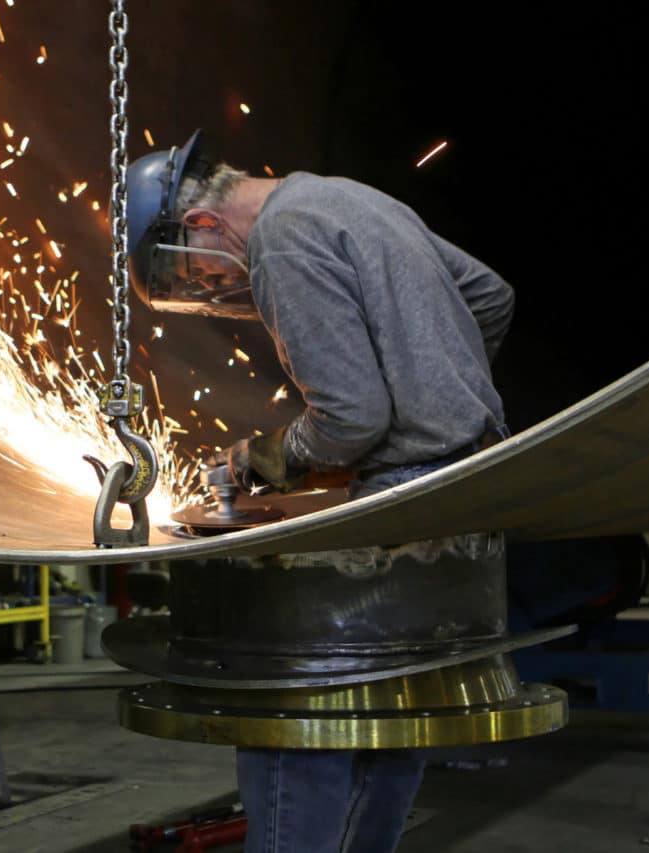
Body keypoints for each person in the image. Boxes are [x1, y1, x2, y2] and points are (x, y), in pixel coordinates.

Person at [124, 130, 516, 853]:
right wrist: (437, 384)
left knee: (289, 708)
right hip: (462, 492)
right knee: (398, 714)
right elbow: (491, 298)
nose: (212, 289)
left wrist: (267, 456)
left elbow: (352, 417)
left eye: (198, 276)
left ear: (204, 225)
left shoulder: (279, 240)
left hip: (402, 498)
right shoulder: (343, 195)